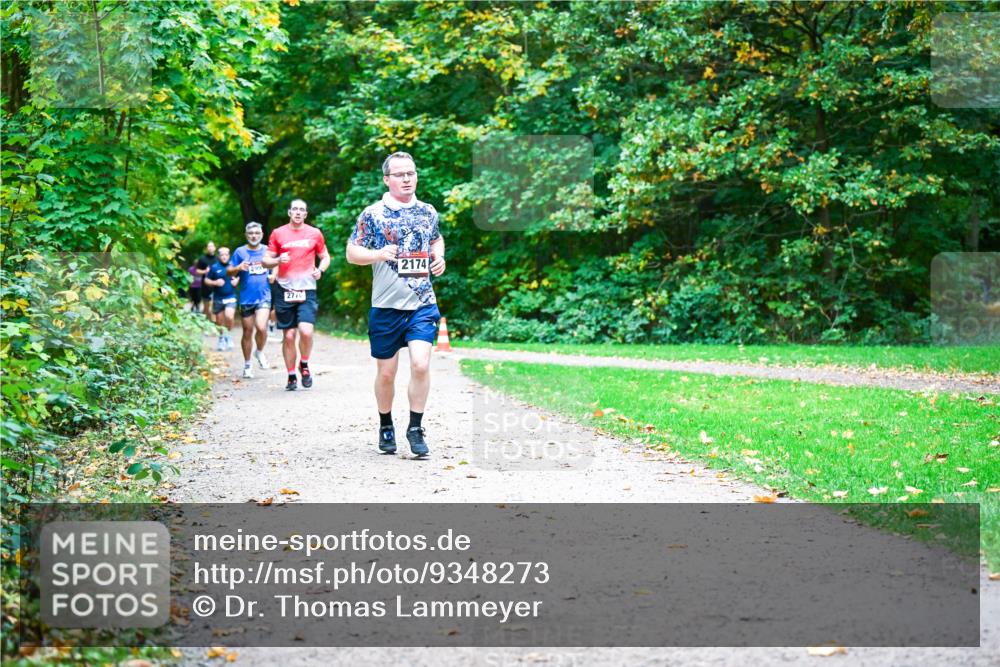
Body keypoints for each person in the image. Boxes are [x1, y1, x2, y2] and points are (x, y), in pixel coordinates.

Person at [346, 151, 446, 458]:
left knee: (421, 363)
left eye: (411, 173)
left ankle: (415, 428)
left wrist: (439, 256)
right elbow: (352, 253)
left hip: (422, 303)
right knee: (387, 373)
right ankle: (385, 424)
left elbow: (436, 239)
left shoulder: (428, 211)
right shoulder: (373, 214)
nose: (407, 179)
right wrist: (377, 255)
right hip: (386, 306)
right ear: (387, 179)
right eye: (400, 174)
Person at [263, 199, 330, 391]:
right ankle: (291, 375)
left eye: (302, 210)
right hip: (285, 290)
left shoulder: (314, 233)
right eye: (295, 209)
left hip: (307, 289)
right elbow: (265, 261)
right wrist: (277, 259)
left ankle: (305, 364)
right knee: (290, 335)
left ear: (306, 214)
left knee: (306, 331)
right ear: (289, 212)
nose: (298, 212)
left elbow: (325, 256)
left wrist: (321, 270)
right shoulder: (278, 233)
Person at [229, 222, 272, 378]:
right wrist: (238, 268)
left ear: (261, 234)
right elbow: (229, 271)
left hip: (264, 296)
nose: (254, 235)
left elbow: (278, 265)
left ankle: (259, 352)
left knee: (261, 327)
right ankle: (247, 365)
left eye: (257, 233)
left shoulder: (268, 251)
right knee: (247, 331)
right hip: (247, 298)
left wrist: (274, 275)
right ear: (246, 235)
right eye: (251, 233)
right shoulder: (240, 252)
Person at [204, 246, 238, 351]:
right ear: (219, 256)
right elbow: (206, 280)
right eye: (222, 255)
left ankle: (229, 336)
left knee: (229, 316)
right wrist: (215, 282)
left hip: (230, 296)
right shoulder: (214, 267)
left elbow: (241, 275)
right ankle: (222, 339)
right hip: (218, 297)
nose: (224, 257)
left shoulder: (233, 266)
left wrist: (237, 281)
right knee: (219, 321)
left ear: (229, 255)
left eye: (226, 254)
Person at [195, 241, 217, 323]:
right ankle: (207, 323)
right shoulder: (202, 259)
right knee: (207, 308)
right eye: (209, 246)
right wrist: (205, 271)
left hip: (216, 286)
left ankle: (214, 324)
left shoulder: (218, 259)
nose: (210, 248)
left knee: (213, 308)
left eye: (212, 246)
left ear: (215, 248)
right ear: (206, 248)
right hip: (205, 286)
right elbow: (197, 271)